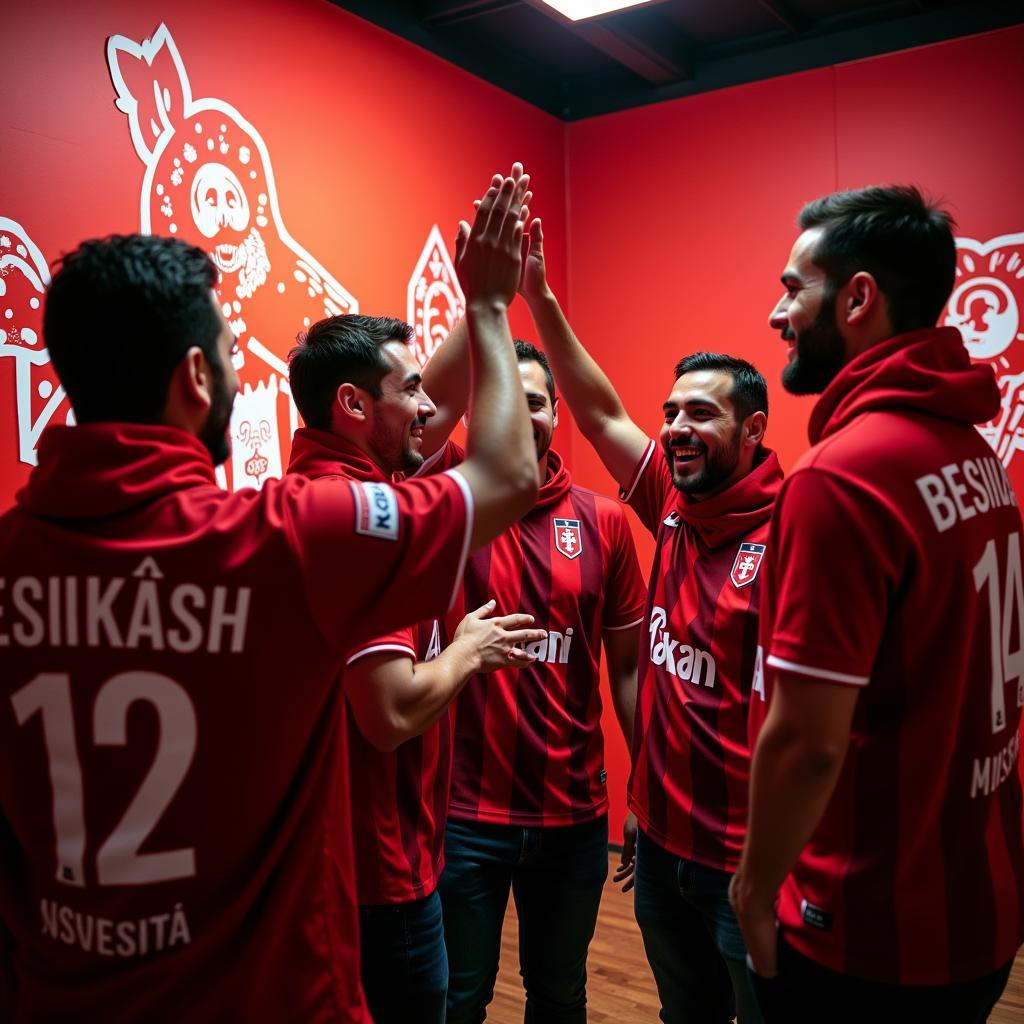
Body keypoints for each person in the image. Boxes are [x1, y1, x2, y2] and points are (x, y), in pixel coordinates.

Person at [0, 172, 537, 1022]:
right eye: (223, 350)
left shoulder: (11, 557)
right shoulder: (282, 539)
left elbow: (416, 421)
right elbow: (507, 473)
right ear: (195, 378)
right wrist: (494, 307)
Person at [730, 184, 1024, 1023]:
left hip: (867, 932)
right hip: (979, 903)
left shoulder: (842, 475)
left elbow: (808, 743)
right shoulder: (973, 450)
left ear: (858, 297)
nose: (778, 313)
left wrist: (753, 890)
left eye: (794, 288)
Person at [517, 217, 779, 1023]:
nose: (675, 429)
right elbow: (596, 410)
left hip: (746, 863)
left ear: (754, 431)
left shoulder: (793, 535)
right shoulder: (672, 504)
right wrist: (537, 295)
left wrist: (772, 867)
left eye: (702, 415)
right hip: (659, 849)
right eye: (671, 412)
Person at [286, 304, 547, 1024]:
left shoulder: (327, 486)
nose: (429, 406)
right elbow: (391, 713)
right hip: (379, 875)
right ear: (353, 404)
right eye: (409, 389)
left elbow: (445, 396)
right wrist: (468, 651)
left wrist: (481, 292)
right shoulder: (362, 510)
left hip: (349, 863)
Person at [421, 311, 647, 1021]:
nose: (523, 416)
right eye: (505, 400)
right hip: (463, 815)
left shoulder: (604, 520)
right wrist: (482, 299)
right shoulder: (443, 500)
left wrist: (643, 788)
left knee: (560, 995)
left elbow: (630, 671)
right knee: (459, 997)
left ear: (557, 414)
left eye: (537, 402)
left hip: (573, 815)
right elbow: (428, 409)